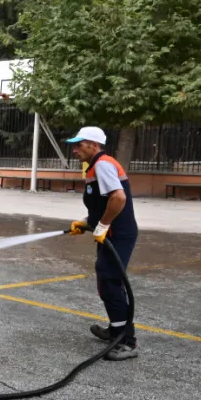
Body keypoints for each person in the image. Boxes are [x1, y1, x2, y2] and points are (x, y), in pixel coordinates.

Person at [65, 126, 139, 361]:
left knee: (111, 282)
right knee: (106, 280)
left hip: (118, 234)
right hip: (111, 232)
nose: (74, 149)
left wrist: (104, 225)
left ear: (94, 145)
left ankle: (127, 341)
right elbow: (103, 203)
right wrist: (87, 222)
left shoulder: (103, 164)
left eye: (79, 145)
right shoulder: (95, 166)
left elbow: (119, 198)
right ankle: (115, 330)